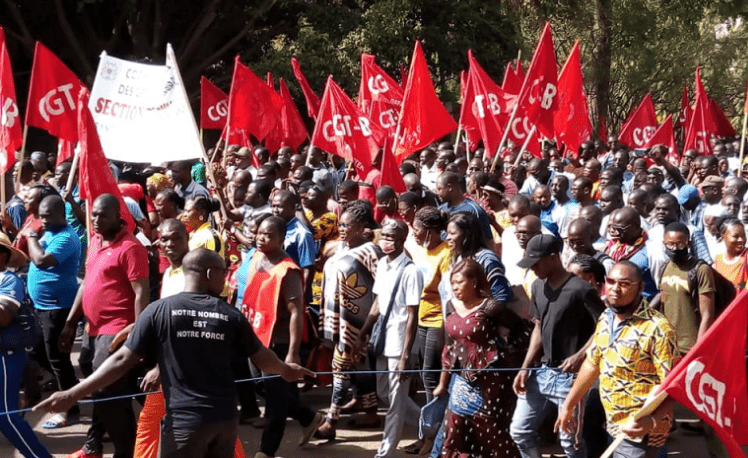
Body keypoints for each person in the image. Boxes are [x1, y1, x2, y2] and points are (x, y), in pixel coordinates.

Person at [37, 248, 313, 458]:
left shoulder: (158, 311)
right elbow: (262, 357)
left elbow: (121, 359)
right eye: (222, 272)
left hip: (184, 425)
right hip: (225, 422)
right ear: (208, 275)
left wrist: (73, 393)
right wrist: (288, 370)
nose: (225, 279)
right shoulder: (231, 315)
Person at [555, 262, 681, 458]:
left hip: (640, 432)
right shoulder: (606, 318)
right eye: (611, 282)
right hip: (612, 424)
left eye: (624, 283)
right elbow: (592, 363)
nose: (615, 288)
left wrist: (652, 421)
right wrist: (569, 405)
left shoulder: (658, 329)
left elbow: (674, 386)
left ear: (640, 287)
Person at [59, 194, 150, 458]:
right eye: (94, 215)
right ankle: (95, 444)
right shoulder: (95, 240)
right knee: (106, 391)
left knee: (106, 390)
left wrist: (137, 335)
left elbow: (141, 293)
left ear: (118, 217)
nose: (96, 220)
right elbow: (88, 283)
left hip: (117, 330)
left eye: (102, 215)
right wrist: (70, 323)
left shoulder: (131, 248)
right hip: (92, 331)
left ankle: (127, 450)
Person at [510, 234, 605, 458]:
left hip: (571, 379)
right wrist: (525, 366)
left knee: (571, 443)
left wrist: (580, 355)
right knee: (519, 430)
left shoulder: (581, 290)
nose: (532, 268)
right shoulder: (537, 286)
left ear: (553, 258)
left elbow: (604, 327)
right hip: (542, 373)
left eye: (536, 263)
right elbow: (538, 328)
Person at [240, 216, 323, 457]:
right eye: (259, 233)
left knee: (275, 402)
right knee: (261, 385)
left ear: (280, 239)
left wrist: (292, 353)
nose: (260, 238)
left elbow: (297, 312)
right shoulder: (257, 257)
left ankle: (266, 451)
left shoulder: (288, 271)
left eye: (268, 235)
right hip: (256, 337)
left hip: (278, 342)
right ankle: (308, 416)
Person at [434, 259, 525, 458]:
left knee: (491, 435)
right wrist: (442, 383)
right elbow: (449, 349)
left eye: (460, 282)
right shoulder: (450, 305)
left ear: (474, 282)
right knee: (454, 434)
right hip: (460, 382)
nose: (455, 288)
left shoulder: (492, 307)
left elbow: (522, 331)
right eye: (453, 283)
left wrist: (506, 355)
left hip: (490, 383)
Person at [356, 219, 423, 458]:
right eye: (383, 236)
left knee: (395, 402)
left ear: (402, 239)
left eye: (391, 237)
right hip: (382, 340)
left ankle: (385, 452)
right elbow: (378, 303)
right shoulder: (383, 264)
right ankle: (432, 425)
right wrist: (363, 333)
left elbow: (413, 316)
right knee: (385, 394)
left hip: (400, 344)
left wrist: (406, 355)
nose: (386, 241)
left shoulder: (411, 271)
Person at [316, 202, 382, 440]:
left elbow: (381, 289)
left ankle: (331, 420)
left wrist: (369, 325)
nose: (342, 229)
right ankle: (369, 411)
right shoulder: (338, 248)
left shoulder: (371, 253)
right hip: (337, 319)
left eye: (348, 225)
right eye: (340, 224)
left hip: (358, 321)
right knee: (359, 367)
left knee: (341, 367)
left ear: (362, 227)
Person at [26, 195, 82, 429]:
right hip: (42, 307)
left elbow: (42, 260)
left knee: (58, 359)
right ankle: (71, 388)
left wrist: (30, 236)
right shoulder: (50, 231)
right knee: (39, 353)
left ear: (62, 214)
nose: (43, 220)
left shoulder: (67, 237)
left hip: (57, 308)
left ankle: (69, 410)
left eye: (48, 216)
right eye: (41, 216)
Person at [401, 207, 451, 455]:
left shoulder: (446, 254)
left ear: (431, 230)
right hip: (421, 318)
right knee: (424, 376)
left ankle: (435, 436)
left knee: (432, 378)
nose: (415, 233)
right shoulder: (421, 251)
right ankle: (427, 432)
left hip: (437, 323)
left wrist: (444, 329)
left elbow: (448, 295)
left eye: (418, 230)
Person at [0, 233, 53, 458]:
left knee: (7, 417)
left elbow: (3, 317)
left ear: (3, 256)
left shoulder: (8, 280)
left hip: (5, 356)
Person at [652, 222, 716, 355]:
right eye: (670, 244)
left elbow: (707, 315)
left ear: (689, 244)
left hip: (689, 348)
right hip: (668, 346)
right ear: (664, 243)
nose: (675, 249)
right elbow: (664, 301)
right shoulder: (665, 267)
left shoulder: (700, 270)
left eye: (680, 244)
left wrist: (699, 348)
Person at [446, 212, 513, 303]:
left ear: (467, 235)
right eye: (447, 233)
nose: (447, 238)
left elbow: (501, 295)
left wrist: (480, 314)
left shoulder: (487, 259)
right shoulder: (456, 259)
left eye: (452, 233)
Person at [271, 190, 316, 299]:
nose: (275, 210)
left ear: (293, 208)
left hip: (292, 291)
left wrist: (302, 299)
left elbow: (308, 269)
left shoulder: (302, 234)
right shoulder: (273, 227)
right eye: (273, 206)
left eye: (280, 207)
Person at [436, 172, 495, 250]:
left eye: (439, 189)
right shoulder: (440, 210)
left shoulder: (474, 210)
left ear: (449, 187)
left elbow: (488, 241)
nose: (437, 193)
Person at [713, 218, 748, 288]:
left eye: (743, 236)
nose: (741, 240)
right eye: (735, 236)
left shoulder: (746, 257)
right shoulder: (718, 259)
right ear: (723, 237)